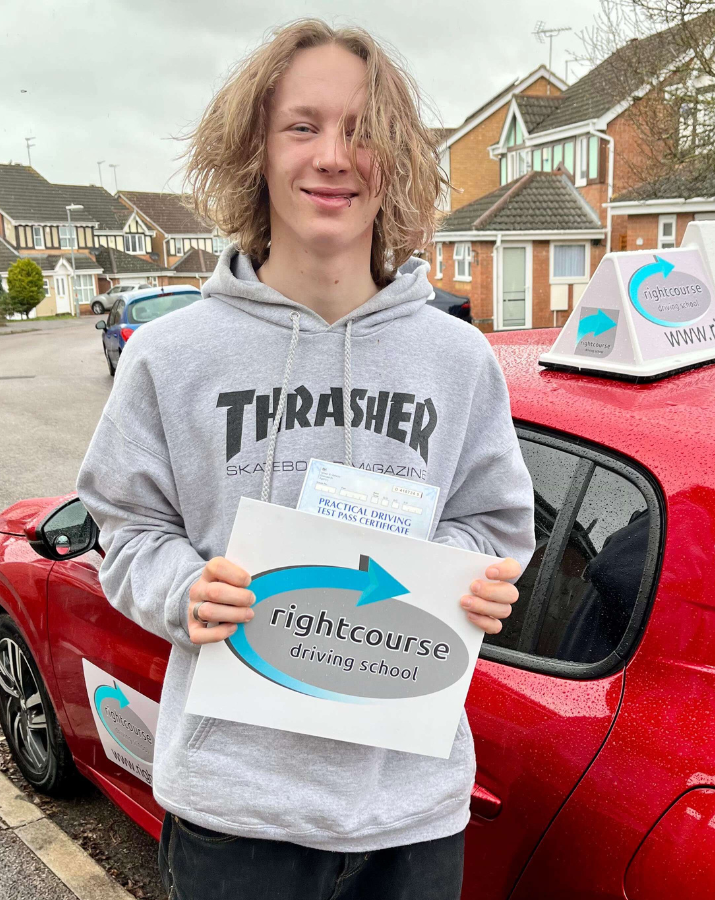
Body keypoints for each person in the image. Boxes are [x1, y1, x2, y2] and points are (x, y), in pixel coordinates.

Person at [77, 19, 534, 900]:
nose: (333, 155)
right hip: (235, 814)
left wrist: (478, 576)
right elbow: (125, 529)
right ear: (257, 148)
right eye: (303, 126)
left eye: (362, 131)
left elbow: (495, 524)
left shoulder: (457, 359)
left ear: (394, 159)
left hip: (413, 813)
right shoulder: (172, 358)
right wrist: (184, 588)